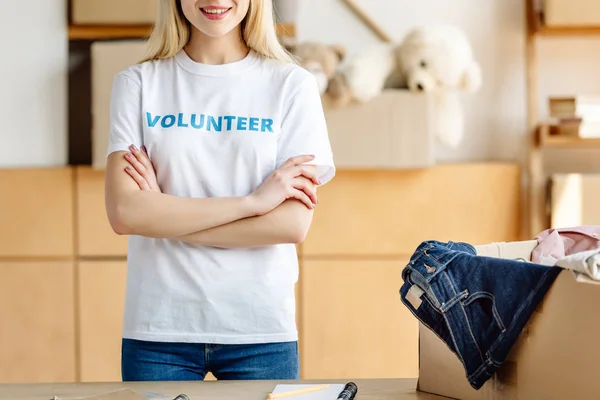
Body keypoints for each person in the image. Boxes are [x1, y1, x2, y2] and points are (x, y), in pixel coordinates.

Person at [104, 0, 335, 382]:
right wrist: (253, 203)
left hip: (260, 332)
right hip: (159, 331)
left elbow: (291, 224)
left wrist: (161, 213)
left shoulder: (292, 86)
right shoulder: (138, 83)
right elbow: (125, 213)